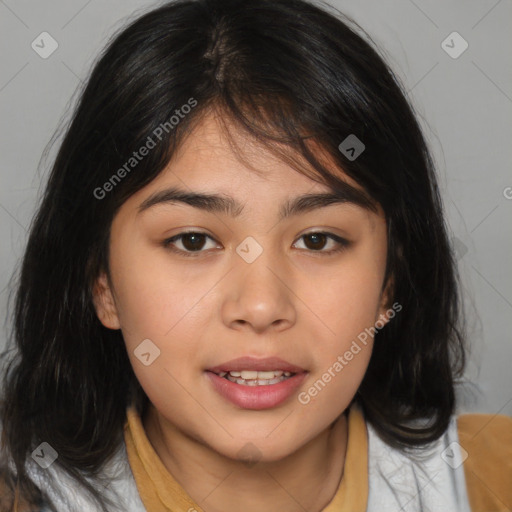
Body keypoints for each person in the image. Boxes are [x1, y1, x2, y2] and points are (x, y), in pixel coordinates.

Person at [0, 0, 510, 511]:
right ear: (102, 283)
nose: (262, 306)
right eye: (193, 241)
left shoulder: (493, 475)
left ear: (390, 281)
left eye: (317, 240)